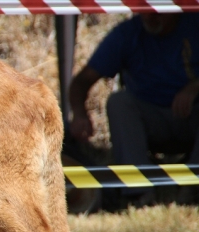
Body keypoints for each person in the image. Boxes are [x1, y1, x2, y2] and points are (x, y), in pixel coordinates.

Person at [69, 13, 199, 207]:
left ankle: (192, 188)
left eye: (158, 9)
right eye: (145, 8)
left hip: (192, 117)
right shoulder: (127, 33)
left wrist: (194, 87)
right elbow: (82, 81)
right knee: (119, 102)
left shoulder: (194, 25)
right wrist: (79, 114)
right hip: (150, 119)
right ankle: (139, 194)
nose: (151, 16)